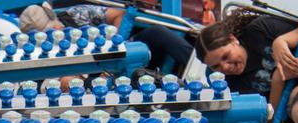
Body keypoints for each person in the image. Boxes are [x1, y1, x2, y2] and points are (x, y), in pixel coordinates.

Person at [18, 2, 192, 75]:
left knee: (157, 32)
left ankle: (200, 67)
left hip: (125, 51)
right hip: (94, 73)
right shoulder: (38, 53)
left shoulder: (76, 14)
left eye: (54, 29)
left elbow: (119, 15)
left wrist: (115, 43)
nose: (57, 33)